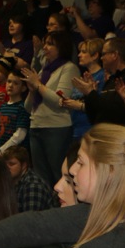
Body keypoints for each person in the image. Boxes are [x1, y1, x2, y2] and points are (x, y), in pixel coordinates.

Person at [22, 31, 81, 183]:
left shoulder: (69, 68)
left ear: (62, 47)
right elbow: (27, 107)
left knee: (58, 173)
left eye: (50, 44)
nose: (45, 48)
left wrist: (38, 85)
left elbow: (60, 101)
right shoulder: (44, 70)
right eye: (45, 44)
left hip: (56, 128)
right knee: (41, 176)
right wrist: (32, 90)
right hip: (36, 125)